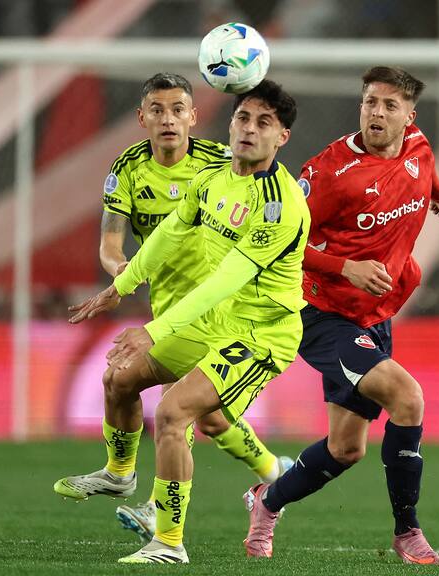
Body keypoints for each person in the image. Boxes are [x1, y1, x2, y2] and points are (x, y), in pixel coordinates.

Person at [65, 79, 309, 564]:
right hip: (214, 321)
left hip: (262, 333)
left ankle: (169, 543)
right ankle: (120, 474)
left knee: (176, 412)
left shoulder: (281, 206)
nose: (249, 130)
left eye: (264, 123)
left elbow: (225, 280)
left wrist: (152, 330)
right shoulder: (213, 178)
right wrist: (121, 286)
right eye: (243, 118)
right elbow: (170, 234)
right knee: (120, 376)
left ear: (282, 138)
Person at [243, 66, 439, 565]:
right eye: (369, 103)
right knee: (407, 398)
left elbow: (426, 173)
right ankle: (408, 530)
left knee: (345, 449)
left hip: (375, 315)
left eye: (388, 106)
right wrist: (347, 267)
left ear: (409, 116)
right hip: (322, 313)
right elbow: (280, 242)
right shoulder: (327, 173)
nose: (376, 113)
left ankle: (266, 501)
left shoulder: (418, 147)